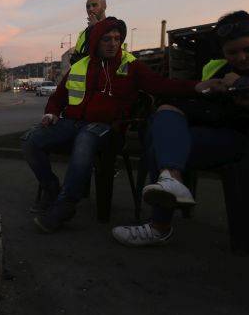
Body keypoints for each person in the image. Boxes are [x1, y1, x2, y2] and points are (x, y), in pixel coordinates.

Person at [22, 17, 224, 233]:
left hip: (107, 128)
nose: (113, 44)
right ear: (96, 42)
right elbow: (57, 98)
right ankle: (52, 188)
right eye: (107, 39)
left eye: (117, 39)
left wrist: (196, 87)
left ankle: (65, 206)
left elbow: (161, 85)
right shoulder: (79, 66)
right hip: (73, 122)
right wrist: (51, 113)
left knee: (85, 140)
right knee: (31, 139)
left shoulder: (131, 65)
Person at [113, 10, 249, 246]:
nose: (242, 58)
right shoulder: (216, 70)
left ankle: (160, 226)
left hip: (241, 140)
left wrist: (241, 86)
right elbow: (201, 108)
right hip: (218, 136)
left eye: (247, 50)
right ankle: (171, 180)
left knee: (162, 144)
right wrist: (204, 91)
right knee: (165, 121)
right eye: (232, 52)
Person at [71, 0, 109, 65]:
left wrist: (97, 27)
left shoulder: (114, 27)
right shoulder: (83, 34)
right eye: (88, 7)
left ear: (104, 7)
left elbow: (109, 55)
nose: (90, 9)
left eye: (94, 5)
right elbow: (74, 59)